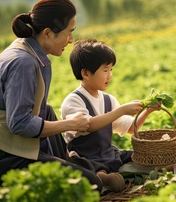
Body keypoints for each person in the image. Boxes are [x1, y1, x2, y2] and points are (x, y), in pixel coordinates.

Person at [0, 0, 121, 193]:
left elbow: (35, 114)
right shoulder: (23, 63)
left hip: (12, 145)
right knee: (87, 185)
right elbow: (20, 123)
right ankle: (85, 169)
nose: (71, 40)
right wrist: (69, 124)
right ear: (48, 33)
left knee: (46, 110)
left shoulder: (32, 54)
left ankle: (71, 161)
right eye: (68, 32)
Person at [61, 38, 158, 174]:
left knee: (144, 157)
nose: (110, 75)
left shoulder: (108, 100)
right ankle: (103, 176)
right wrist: (121, 110)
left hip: (108, 155)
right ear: (86, 73)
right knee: (83, 165)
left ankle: (107, 174)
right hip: (85, 157)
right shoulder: (74, 100)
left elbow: (130, 128)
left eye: (111, 69)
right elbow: (87, 125)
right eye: (105, 70)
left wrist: (147, 111)